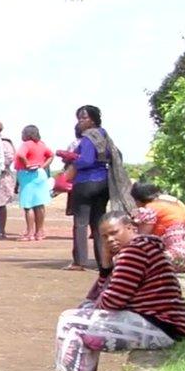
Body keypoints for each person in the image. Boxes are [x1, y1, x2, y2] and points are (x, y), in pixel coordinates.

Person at [27, 211, 185, 371]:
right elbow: (100, 296)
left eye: (114, 233)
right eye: (104, 237)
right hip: (157, 323)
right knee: (84, 312)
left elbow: (112, 301)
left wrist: (105, 275)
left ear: (131, 228)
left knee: (71, 322)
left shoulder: (135, 252)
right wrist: (105, 267)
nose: (110, 240)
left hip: (161, 328)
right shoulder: (141, 248)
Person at [67, 105, 111, 271]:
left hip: (86, 182)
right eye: (79, 118)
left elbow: (86, 160)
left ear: (92, 119)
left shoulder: (87, 138)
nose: (80, 122)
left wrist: (72, 161)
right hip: (103, 182)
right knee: (98, 223)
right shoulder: (104, 135)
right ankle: (103, 261)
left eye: (83, 118)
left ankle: (80, 261)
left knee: (81, 223)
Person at [131, 182, 185, 273]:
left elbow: (141, 237)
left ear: (138, 201)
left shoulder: (149, 209)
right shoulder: (172, 203)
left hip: (177, 257)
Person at [15, 125, 54, 241]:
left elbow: (20, 155)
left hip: (28, 175)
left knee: (28, 205)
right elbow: (51, 155)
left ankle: (30, 232)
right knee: (39, 204)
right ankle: (39, 232)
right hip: (40, 174)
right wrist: (43, 166)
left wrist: (27, 164)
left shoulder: (26, 144)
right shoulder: (41, 144)